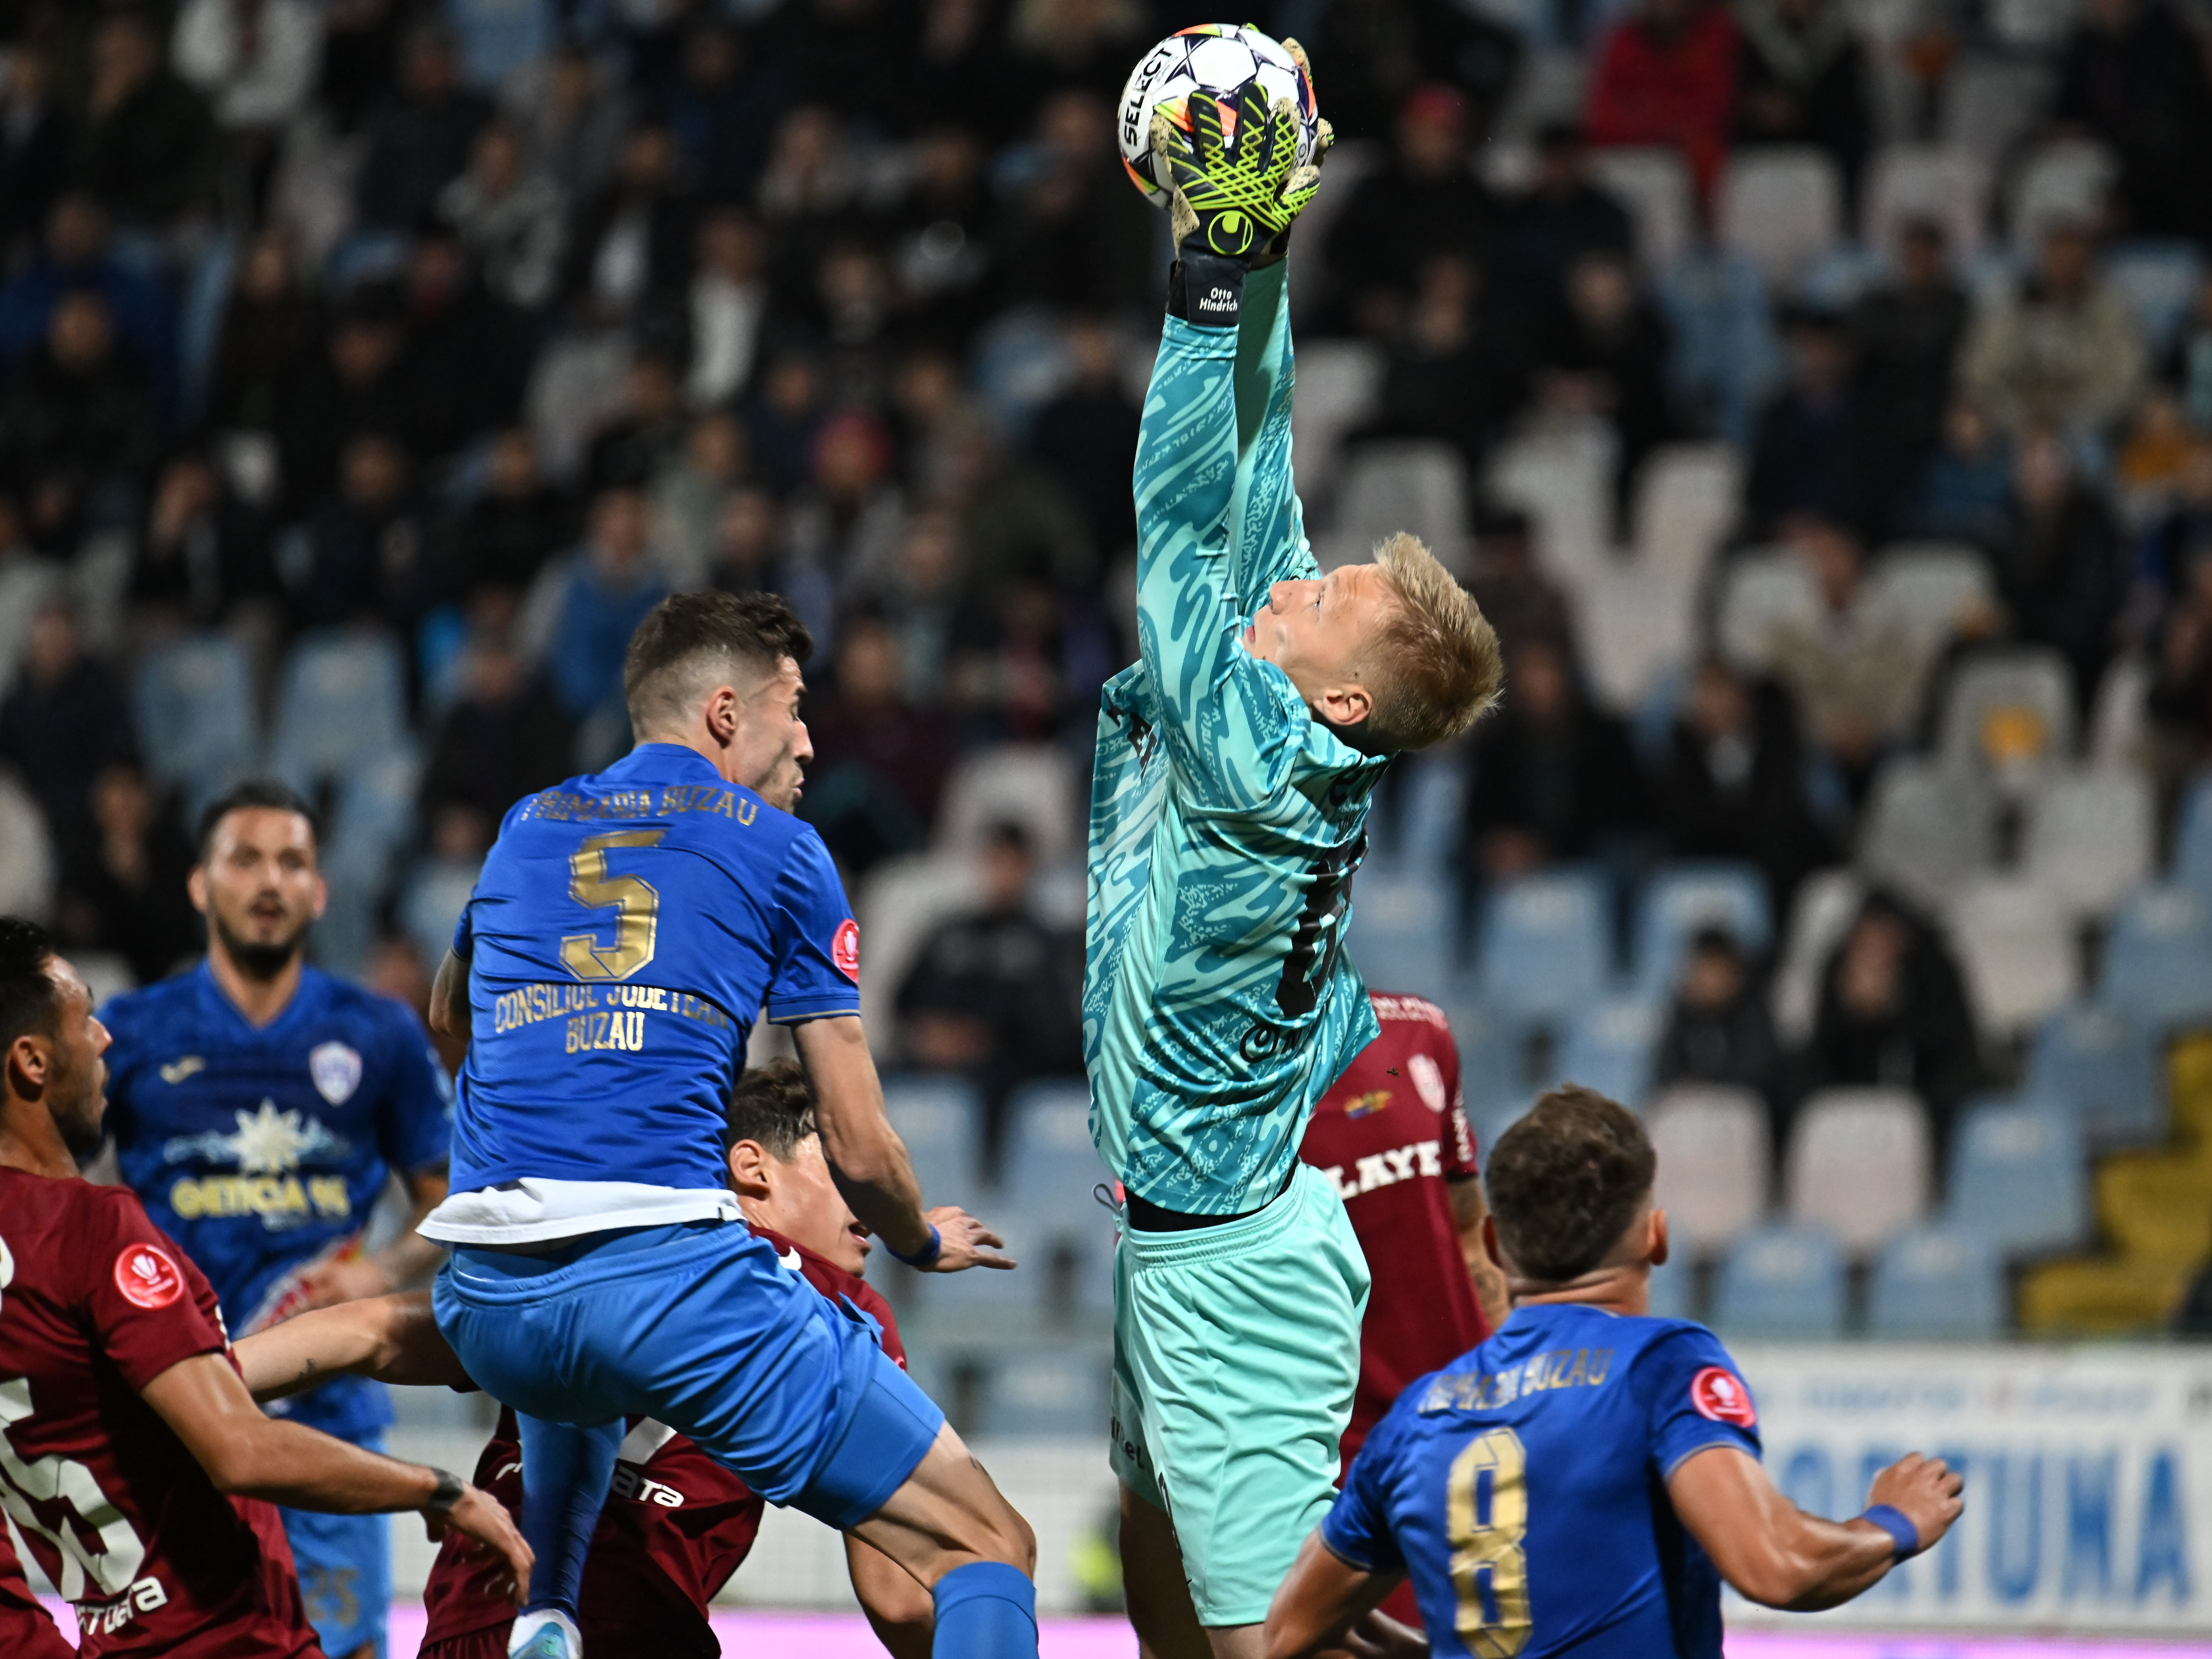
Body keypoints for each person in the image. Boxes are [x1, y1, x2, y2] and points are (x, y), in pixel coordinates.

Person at [420, 589, 1040, 1659]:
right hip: (656, 1280)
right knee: (987, 1540)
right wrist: (917, 1239)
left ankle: (551, 1610)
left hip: (485, 1292)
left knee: (577, 1370)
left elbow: (448, 1008)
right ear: (721, 713)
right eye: (791, 707)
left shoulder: (526, 823)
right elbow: (855, 1142)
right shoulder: (783, 850)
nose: (806, 738)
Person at [1095, 89, 1502, 1659]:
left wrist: (1208, 272)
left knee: (1276, 1641)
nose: (1318, 572)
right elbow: (1254, 462)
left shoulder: (1255, 750)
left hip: (1227, 1248)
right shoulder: (1295, 705)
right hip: (1192, 1200)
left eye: (1340, 595)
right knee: (1154, 1527)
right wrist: (1256, 259)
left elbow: (1175, 511)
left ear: (1345, 692)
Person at [1263, 1084, 1966, 1658]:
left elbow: (1289, 1634)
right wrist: (1893, 1523)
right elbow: (1776, 1566)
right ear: (1655, 1235)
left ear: (1491, 1244)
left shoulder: (1416, 1418)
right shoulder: (1660, 1368)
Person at [0, 915, 529, 1657]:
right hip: (231, 1638)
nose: (104, 1039)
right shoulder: (92, 1227)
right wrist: (441, 1490)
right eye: (84, 1018)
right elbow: (239, 1449)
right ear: (32, 1061)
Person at [370, 1059, 930, 1659]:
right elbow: (896, 1596)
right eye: (845, 1172)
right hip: (634, 1621)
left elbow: (371, 1331)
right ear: (750, 1166)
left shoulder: (598, 1244)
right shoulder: (843, 1306)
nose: (870, 1205)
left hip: (475, 1609)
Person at [98, 780, 456, 1659]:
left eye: (292, 861)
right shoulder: (129, 1031)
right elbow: (50, 1189)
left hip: (329, 1418)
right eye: (245, 858)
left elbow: (450, 1204)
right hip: (176, 1410)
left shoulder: (379, 1032)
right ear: (198, 883)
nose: (269, 881)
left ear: (320, 889)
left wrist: (375, 1273)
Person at [1295, 991, 1507, 1634]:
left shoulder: (1420, 1034)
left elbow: (1469, 1228)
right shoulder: (1203, 1094)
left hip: (1464, 1441)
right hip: (1329, 1469)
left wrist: (1512, 1393)